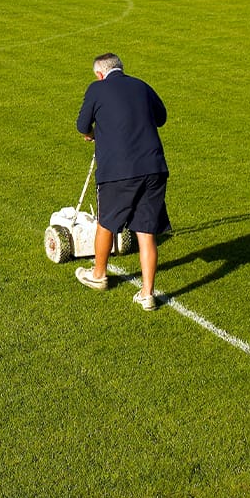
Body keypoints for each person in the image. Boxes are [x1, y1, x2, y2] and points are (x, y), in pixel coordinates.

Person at [74, 53, 170, 311]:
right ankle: (147, 293)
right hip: (153, 167)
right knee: (146, 230)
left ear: (99, 74)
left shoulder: (97, 89)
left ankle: (98, 275)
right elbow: (161, 118)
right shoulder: (141, 85)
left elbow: (82, 125)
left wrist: (93, 134)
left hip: (118, 171)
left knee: (106, 223)